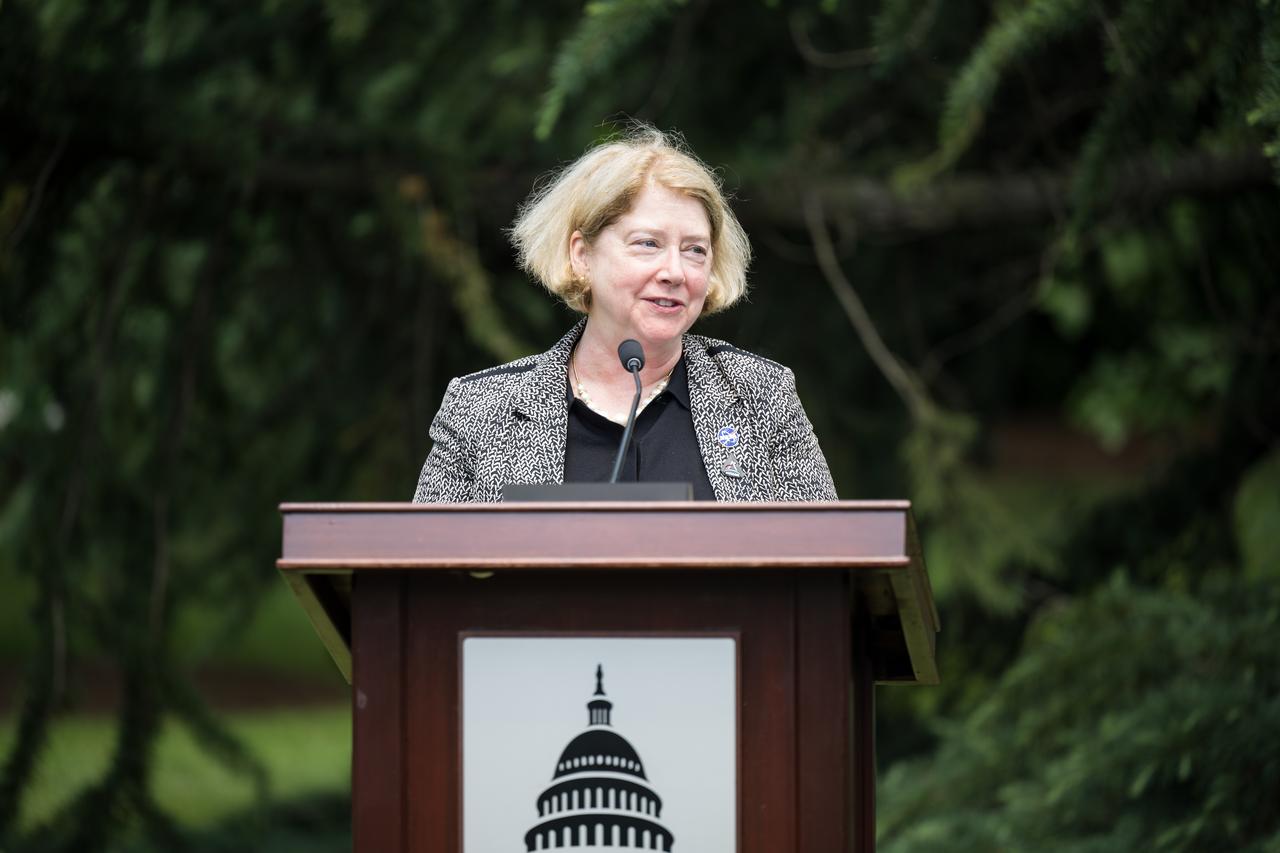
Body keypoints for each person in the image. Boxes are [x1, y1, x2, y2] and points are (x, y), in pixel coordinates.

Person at [413, 126, 836, 503]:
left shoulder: (760, 397)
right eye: (647, 243)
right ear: (582, 256)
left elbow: (829, 558)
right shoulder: (482, 410)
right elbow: (422, 572)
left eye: (695, 250)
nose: (674, 272)